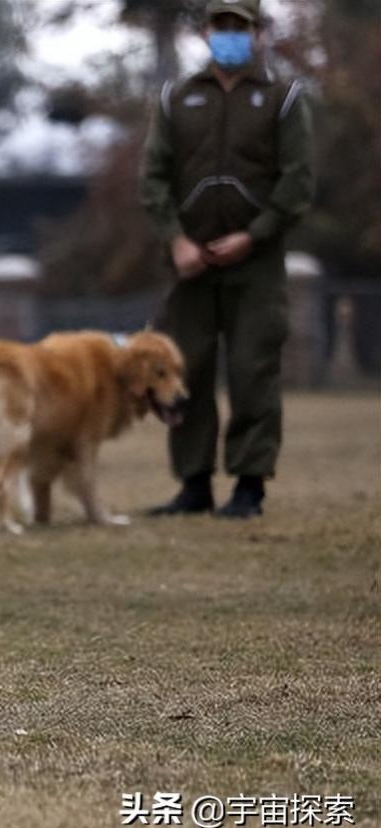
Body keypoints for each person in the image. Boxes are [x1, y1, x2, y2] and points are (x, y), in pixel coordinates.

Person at [140, 0, 312, 519]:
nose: (231, 35)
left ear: (258, 33)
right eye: (222, 25)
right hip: (190, 265)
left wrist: (253, 236)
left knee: (251, 370)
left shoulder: (281, 100)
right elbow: (153, 178)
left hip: (256, 267)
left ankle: (249, 486)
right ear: (206, 31)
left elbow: (298, 181)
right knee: (183, 370)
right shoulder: (177, 98)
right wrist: (176, 240)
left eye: (241, 26)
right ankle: (193, 485)